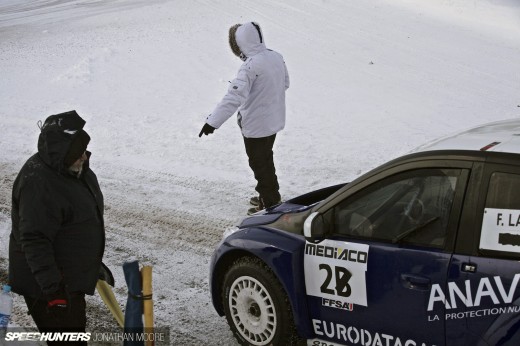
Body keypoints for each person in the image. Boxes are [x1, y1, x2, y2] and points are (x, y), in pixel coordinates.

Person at [9, 110, 106, 344]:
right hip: (48, 287)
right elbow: (34, 240)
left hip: (68, 279)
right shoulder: (40, 183)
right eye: (78, 152)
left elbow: (78, 224)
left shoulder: (72, 170)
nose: (84, 157)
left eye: (84, 150)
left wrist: (91, 264)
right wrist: (53, 292)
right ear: (63, 152)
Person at [199, 21, 290, 215]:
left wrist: (212, 122)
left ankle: (269, 203)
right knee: (266, 158)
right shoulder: (276, 56)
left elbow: (233, 97)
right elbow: (285, 83)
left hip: (256, 126)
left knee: (259, 163)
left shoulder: (250, 67)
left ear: (241, 44)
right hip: (273, 121)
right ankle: (271, 194)